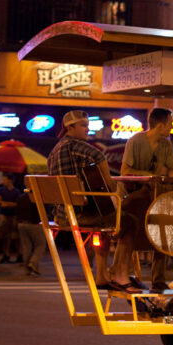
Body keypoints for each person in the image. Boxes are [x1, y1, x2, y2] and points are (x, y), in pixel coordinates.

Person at [47, 110, 125, 288]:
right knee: (128, 221)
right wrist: (110, 185)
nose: (87, 130)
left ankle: (103, 275)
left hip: (60, 214)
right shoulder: (74, 145)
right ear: (70, 127)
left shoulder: (54, 151)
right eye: (83, 126)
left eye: (88, 126)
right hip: (77, 214)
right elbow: (99, 156)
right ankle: (119, 272)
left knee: (105, 221)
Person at [120, 107, 173, 290]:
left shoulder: (166, 145)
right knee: (128, 233)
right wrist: (149, 176)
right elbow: (125, 171)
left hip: (155, 195)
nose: (172, 126)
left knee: (163, 231)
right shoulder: (135, 141)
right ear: (160, 126)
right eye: (170, 123)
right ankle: (120, 272)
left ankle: (159, 280)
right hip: (134, 195)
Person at [16, 189, 47, 277]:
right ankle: (33, 263)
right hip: (33, 224)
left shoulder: (21, 198)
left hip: (21, 224)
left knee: (26, 247)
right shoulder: (36, 198)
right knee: (40, 245)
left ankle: (27, 269)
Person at [0, 174, 23, 264]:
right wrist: (11, 204)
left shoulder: (16, 191)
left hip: (13, 216)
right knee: (5, 236)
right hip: (4, 215)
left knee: (16, 236)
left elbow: (17, 203)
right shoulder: (1, 190)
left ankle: (19, 254)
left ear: (10, 181)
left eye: (5, 180)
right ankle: (6, 254)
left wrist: (6, 204)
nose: (3, 182)